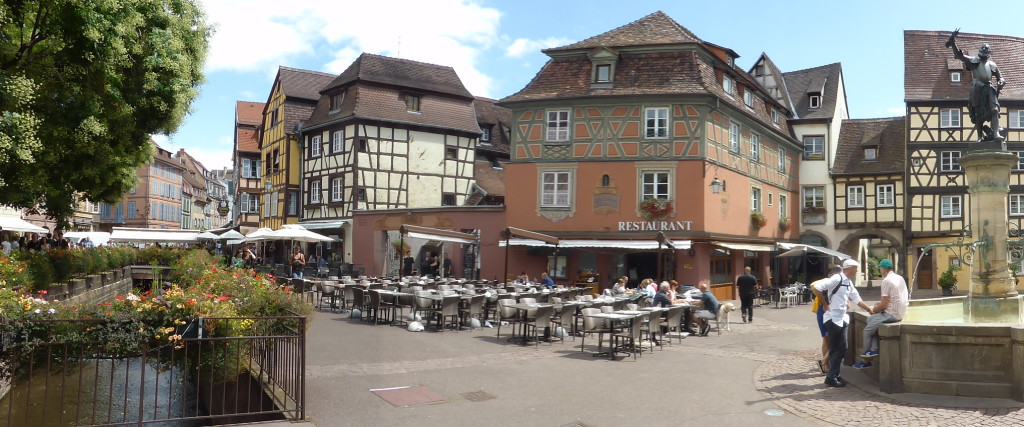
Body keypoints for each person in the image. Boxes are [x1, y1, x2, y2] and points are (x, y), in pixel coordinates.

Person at [811, 259, 872, 387]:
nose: (856, 271)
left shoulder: (848, 282)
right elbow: (817, 287)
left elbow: (857, 299)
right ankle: (832, 376)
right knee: (838, 348)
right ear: (850, 268)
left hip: (842, 318)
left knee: (840, 348)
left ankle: (834, 375)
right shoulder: (837, 278)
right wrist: (825, 303)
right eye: (856, 268)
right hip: (832, 318)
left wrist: (869, 310)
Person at [946, 30, 1005, 144]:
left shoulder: (992, 64)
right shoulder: (974, 61)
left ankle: (996, 132)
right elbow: (959, 56)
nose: (984, 52)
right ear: (980, 52)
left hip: (989, 88)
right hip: (977, 88)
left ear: (989, 53)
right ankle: (979, 136)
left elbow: (1000, 77)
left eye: (986, 51)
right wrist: (953, 44)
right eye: (983, 50)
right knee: (978, 113)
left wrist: (1001, 82)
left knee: (995, 109)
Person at [854, 259, 909, 369]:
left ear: (883, 269)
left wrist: (874, 309)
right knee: (871, 321)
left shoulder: (886, 281)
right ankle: (875, 349)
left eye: (880, 268)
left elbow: (883, 305)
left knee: (867, 331)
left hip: (891, 314)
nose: (880, 270)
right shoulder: (899, 278)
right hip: (900, 312)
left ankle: (866, 361)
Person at [811, 265, 842, 375]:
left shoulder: (837, 283)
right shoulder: (828, 281)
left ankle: (826, 364)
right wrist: (824, 302)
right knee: (829, 339)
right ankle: (826, 365)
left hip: (827, 311)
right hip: (826, 311)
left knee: (829, 339)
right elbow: (813, 286)